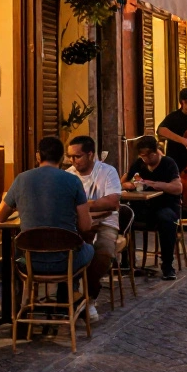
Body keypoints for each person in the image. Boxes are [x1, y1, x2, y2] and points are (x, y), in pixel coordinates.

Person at [0, 136, 95, 282]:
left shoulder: (21, 179)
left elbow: (0, 216)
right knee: (89, 249)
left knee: (18, 254)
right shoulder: (73, 181)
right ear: (62, 158)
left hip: (30, 262)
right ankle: (69, 296)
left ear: (38, 156)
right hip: (65, 262)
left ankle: (24, 301)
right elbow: (86, 226)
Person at [66, 135, 121, 320]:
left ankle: (88, 298)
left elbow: (113, 201)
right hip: (77, 225)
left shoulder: (107, 171)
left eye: (77, 156)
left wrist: (85, 205)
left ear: (91, 155)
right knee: (66, 250)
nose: (73, 161)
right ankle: (71, 296)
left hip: (105, 223)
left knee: (103, 252)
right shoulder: (68, 175)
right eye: (70, 157)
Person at [121, 136, 184, 279]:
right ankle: (126, 261)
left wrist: (153, 183)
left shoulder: (168, 163)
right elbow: (122, 182)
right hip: (144, 207)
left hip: (166, 205)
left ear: (157, 151)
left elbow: (177, 187)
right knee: (123, 214)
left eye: (149, 155)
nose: (146, 159)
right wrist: (129, 185)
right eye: (142, 155)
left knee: (166, 219)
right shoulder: (138, 164)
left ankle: (167, 265)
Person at [156, 88, 187, 176]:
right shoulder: (174, 117)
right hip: (177, 157)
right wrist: (183, 140)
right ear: (184, 101)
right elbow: (161, 130)